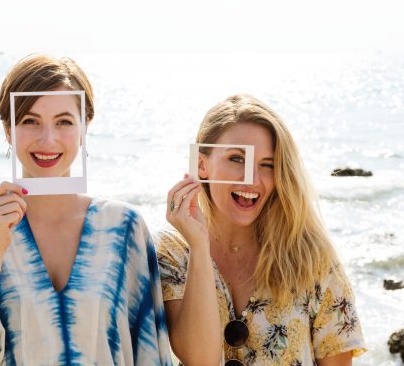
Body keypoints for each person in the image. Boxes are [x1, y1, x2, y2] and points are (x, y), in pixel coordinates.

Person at [0, 54, 172, 366]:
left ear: (85, 127)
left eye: (64, 121)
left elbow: (150, 355)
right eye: (30, 121)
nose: (47, 139)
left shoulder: (124, 227)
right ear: (8, 129)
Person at [157, 94, 367, 365]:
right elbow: (201, 360)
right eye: (236, 159)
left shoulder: (311, 257)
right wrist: (198, 245)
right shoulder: (172, 252)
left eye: (267, 165)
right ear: (201, 165)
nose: (253, 179)